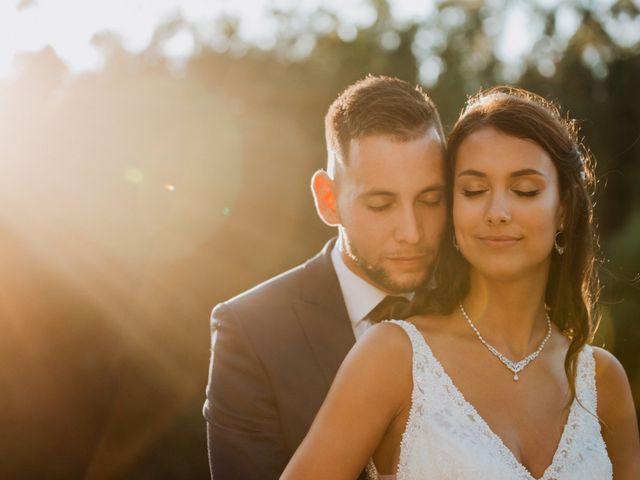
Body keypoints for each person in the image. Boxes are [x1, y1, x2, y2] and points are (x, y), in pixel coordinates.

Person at [281, 87, 640, 479]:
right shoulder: (392, 357)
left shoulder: (602, 380)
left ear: (564, 210)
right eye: (473, 191)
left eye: (525, 190)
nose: (497, 212)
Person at [203, 75, 447, 479]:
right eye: (381, 204)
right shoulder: (251, 331)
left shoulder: (477, 304)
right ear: (328, 200)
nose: (412, 232)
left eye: (431, 200)